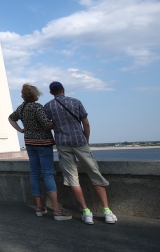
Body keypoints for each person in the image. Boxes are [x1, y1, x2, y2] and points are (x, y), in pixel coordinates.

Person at [43, 81, 117, 225]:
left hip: (63, 144)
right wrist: (86, 140)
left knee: (72, 178)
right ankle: (107, 211)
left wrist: (57, 123)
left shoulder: (48, 106)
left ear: (51, 92)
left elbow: (47, 126)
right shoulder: (76, 102)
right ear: (63, 90)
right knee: (94, 174)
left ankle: (86, 212)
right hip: (80, 141)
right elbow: (86, 124)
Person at [9, 84, 72, 221]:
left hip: (29, 143)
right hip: (43, 143)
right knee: (48, 173)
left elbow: (11, 118)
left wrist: (21, 130)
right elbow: (46, 125)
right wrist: (56, 121)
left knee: (34, 173)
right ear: (36, 94)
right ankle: (56, 209)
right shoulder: (37, 107)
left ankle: (39, 206)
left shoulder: (22, 107)